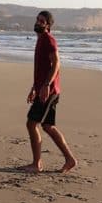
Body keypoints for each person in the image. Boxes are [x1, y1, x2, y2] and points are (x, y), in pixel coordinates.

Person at [20, 11, 78, 173]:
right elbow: (41, 69)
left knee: (32, 123)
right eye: (37, 19)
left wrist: (46, 86)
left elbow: (56, 63)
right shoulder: (40, 40)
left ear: (48, 25)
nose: (38, 22)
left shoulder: (48, 40)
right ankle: (70, 159)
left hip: (49, 91)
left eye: (42, 21)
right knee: (47, 126)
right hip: (44, 89)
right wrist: (34, 88)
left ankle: (37, 164)